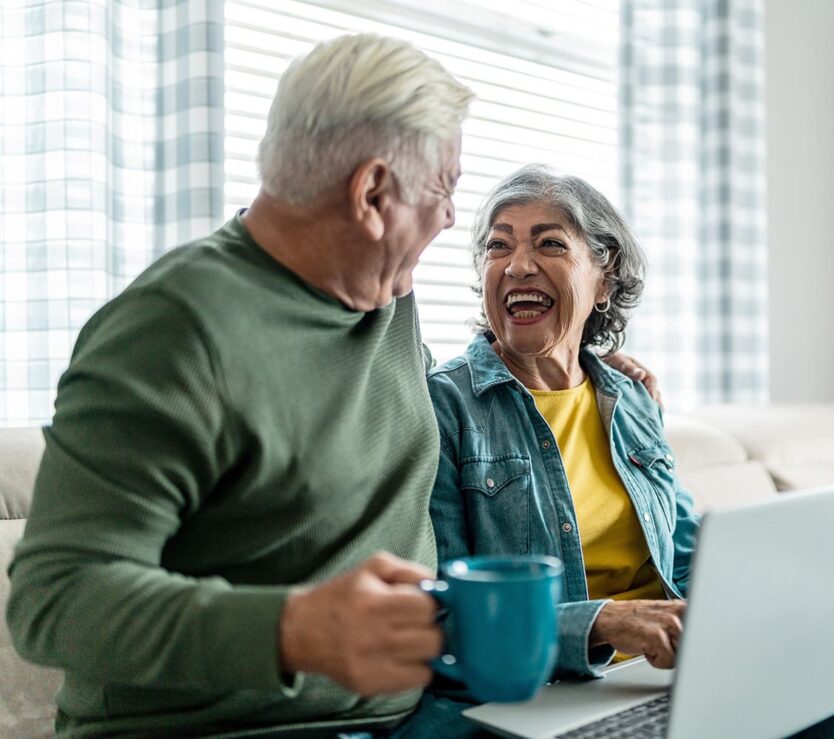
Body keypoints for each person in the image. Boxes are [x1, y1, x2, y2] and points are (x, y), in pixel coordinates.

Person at [6, 35, 657, 738]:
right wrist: (292, 628)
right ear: (373, 193)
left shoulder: (383, 299)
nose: (448, 218)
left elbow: (393, 412)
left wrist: (585, 368)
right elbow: (53, 599)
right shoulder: (171, 332)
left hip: (423, 716)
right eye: (444, 187)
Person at [415, 164, 834, 737]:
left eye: (549, 243)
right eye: (497, 246)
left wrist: (806, 620)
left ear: (604, 280)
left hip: (670, 674)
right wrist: (602, 623)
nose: (517, 264)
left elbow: (684, 555)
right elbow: (443, 613)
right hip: (546, 693)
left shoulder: (629, 398)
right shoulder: (446, 406)